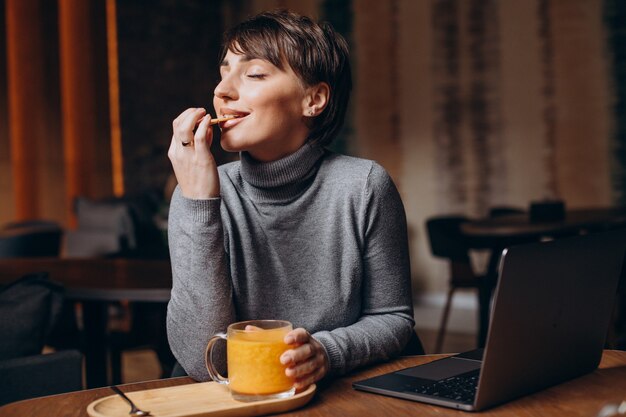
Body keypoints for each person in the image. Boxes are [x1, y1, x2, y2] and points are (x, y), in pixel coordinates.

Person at [167, 9, 422, 390]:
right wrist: (200, 202)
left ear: (314, 100)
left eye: (253, 74)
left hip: (342, 396)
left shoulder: (364, 185)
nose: (222, 91)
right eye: (224, 72)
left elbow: (393, 317)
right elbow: (205, 362)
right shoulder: (196, 191)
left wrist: (325, 352)